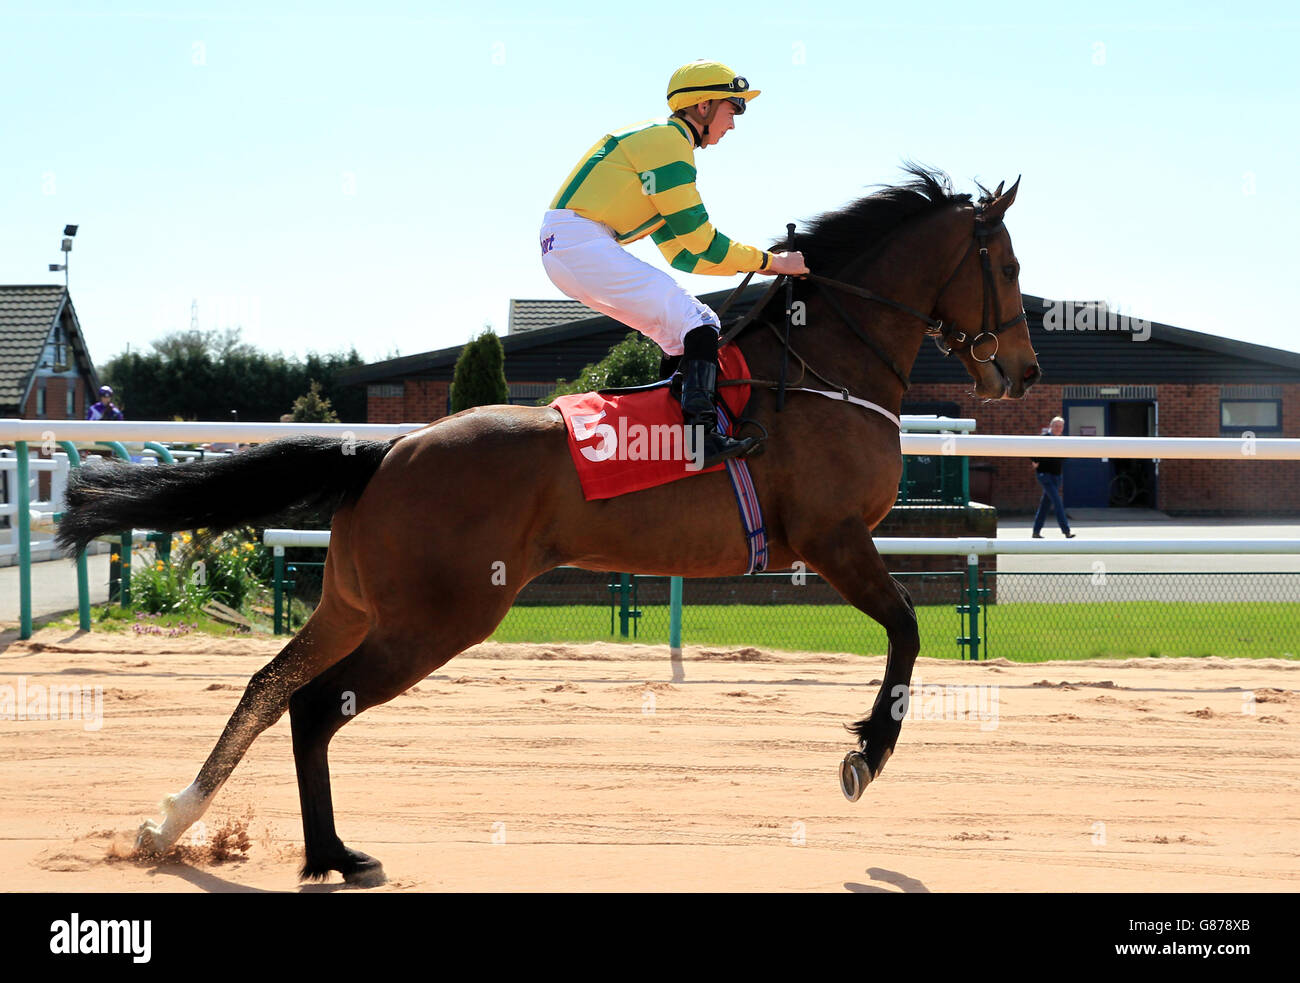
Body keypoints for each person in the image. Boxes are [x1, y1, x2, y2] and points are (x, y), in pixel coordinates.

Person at [541, 59, 809, 469]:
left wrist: (761, 265)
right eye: (732, 109)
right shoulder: (669, 142)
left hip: (571, 245)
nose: (734, 123)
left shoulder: (660, 144)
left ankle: (672, 436)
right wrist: (772, 263)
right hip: (580, 243)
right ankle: (699, 443)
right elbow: (702, 239)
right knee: (698, 324)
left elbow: (684, 255)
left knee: (683, 332)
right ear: (703, 106)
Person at [1031, 416, 1075, 538]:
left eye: (1060, 426)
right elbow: (1031, 450)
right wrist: (1035, 461)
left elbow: (1065, 456)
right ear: (1051, 426)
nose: (1058, 428)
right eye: (1056, 426)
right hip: (1044, 475)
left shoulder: (1062, 441)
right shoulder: (1044, 439)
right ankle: (1066, 531)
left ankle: (1036, 532)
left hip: (1057, 476)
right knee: (1057, 501)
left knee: (1045, 505)